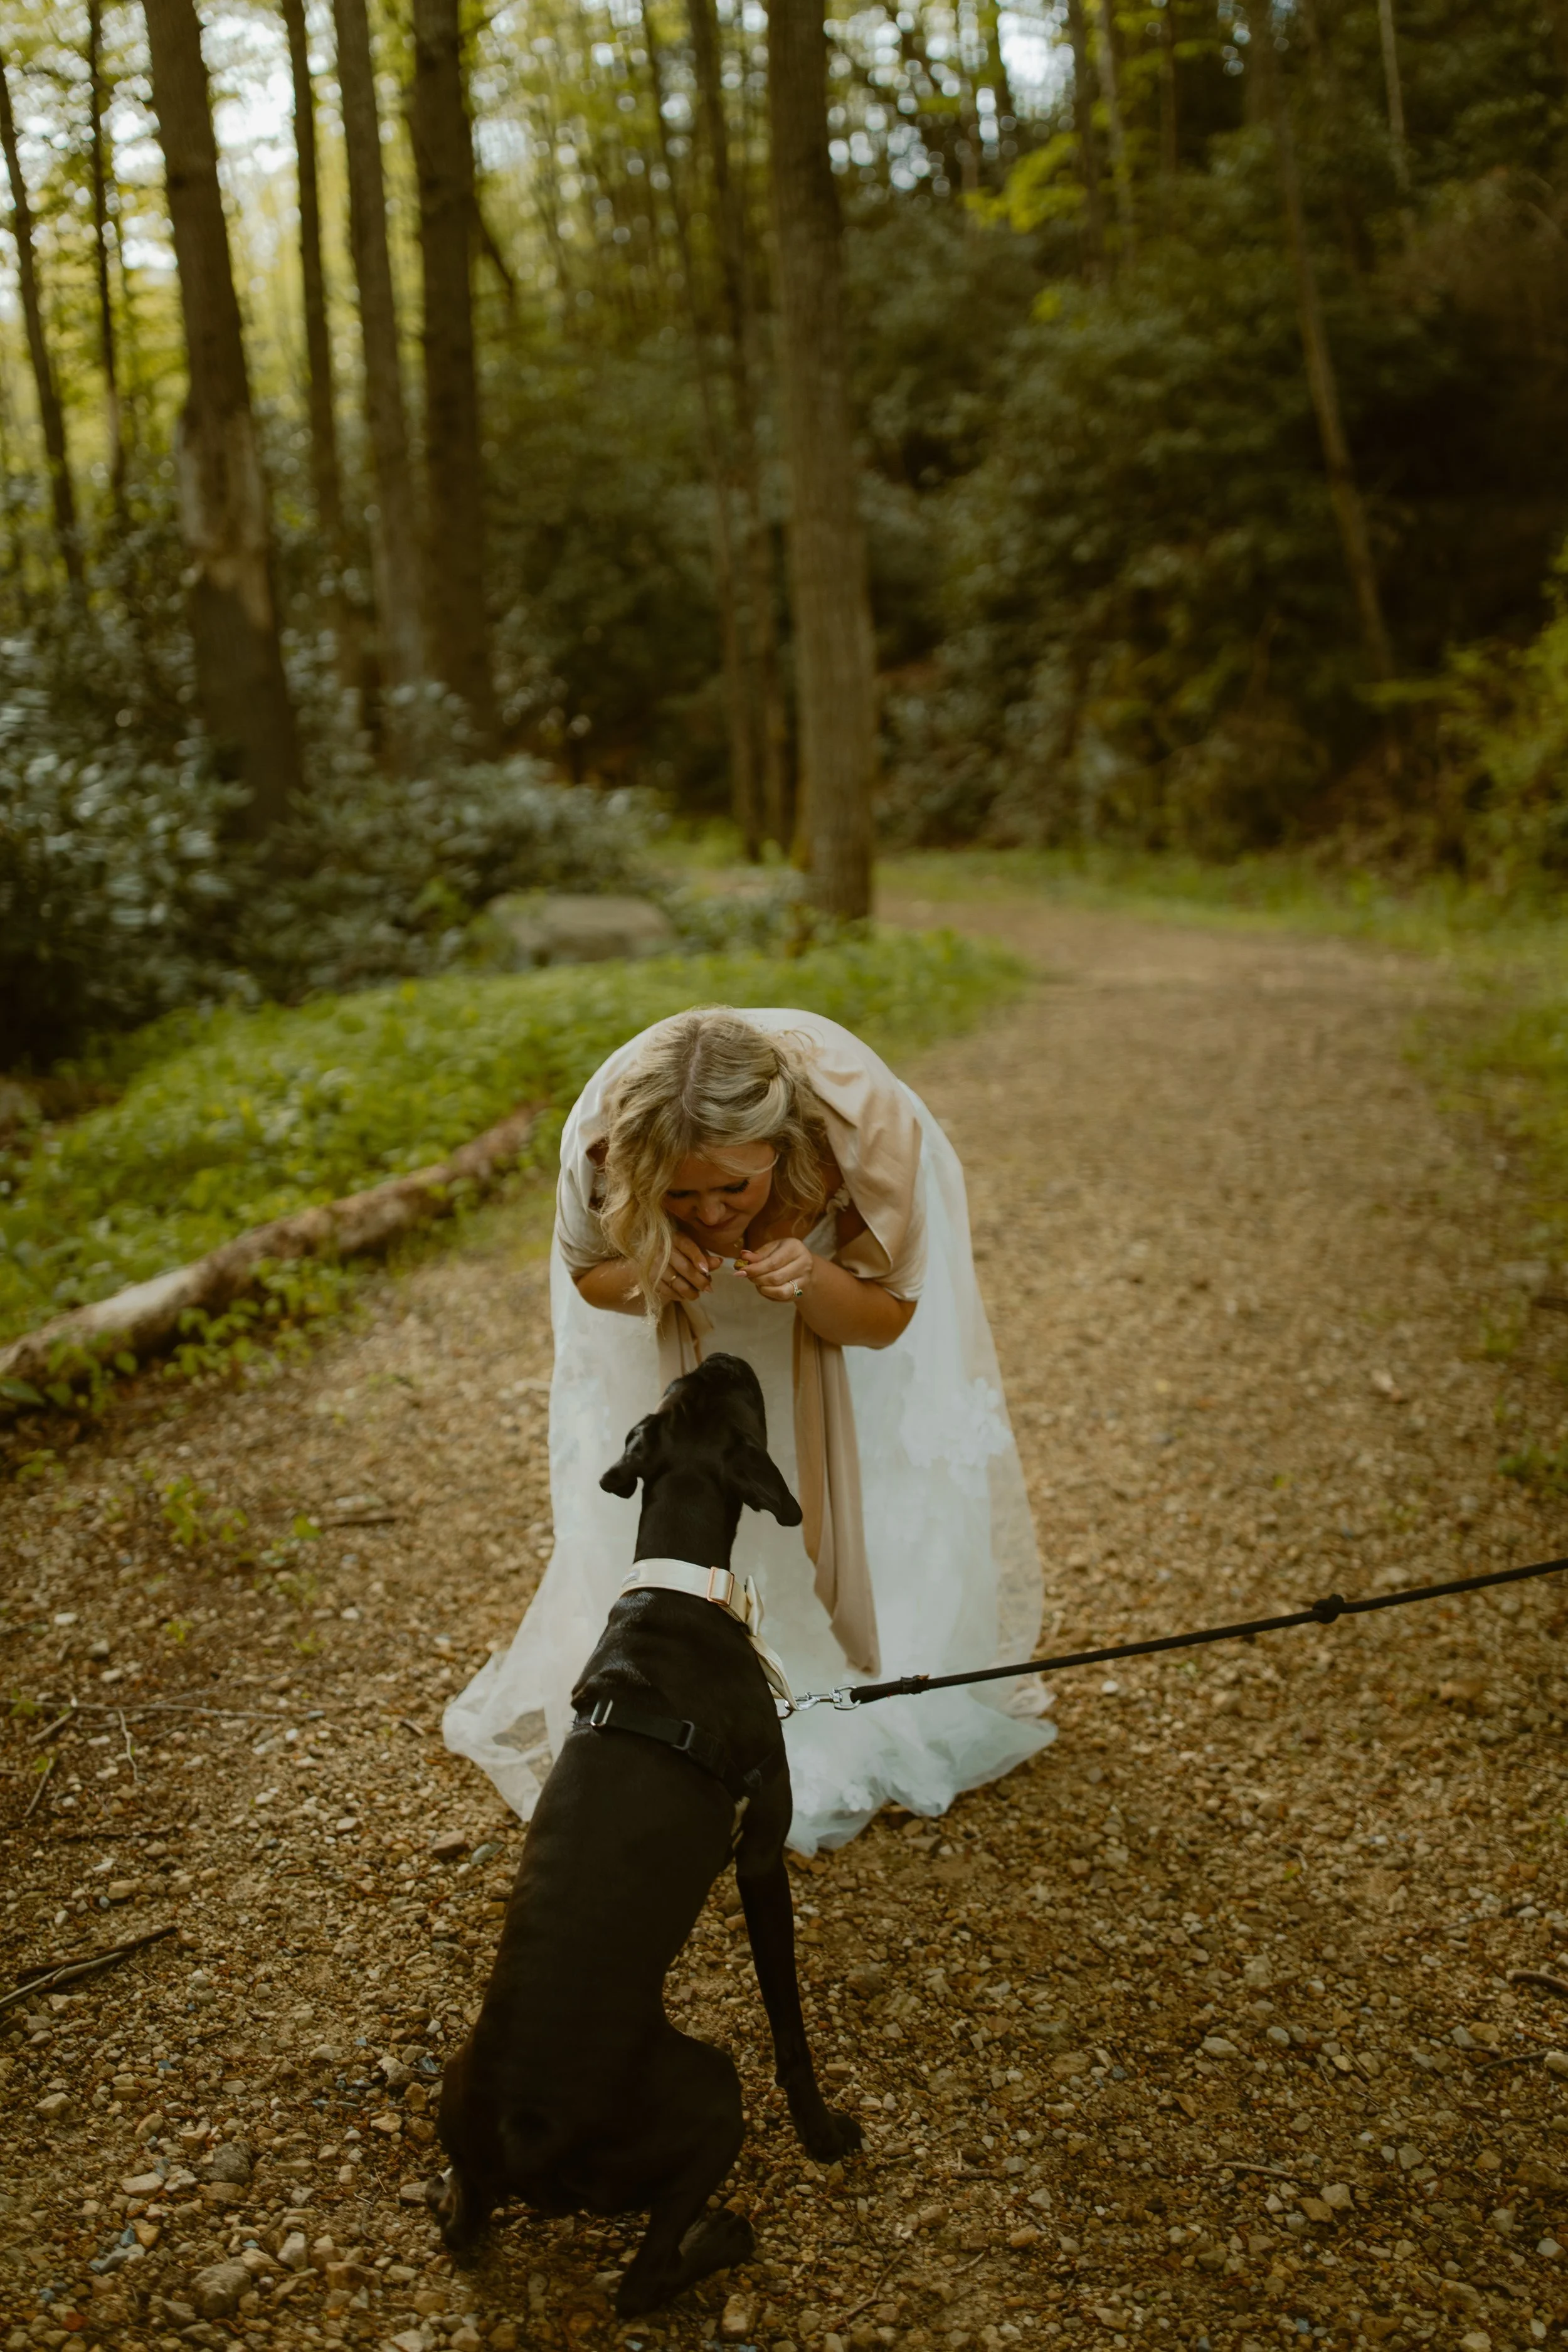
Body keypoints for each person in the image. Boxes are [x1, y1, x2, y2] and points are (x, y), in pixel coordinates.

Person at [443, 1005, 1052, 1853]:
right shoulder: (599, 1143)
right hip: (677, 1327)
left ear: (782, 1149)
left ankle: (836, 1687)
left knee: (839, 1478)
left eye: (737, 1186)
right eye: (680, 1196)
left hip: (834, 1304)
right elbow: (591, 1276)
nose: (715, 1213)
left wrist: (813, 1276)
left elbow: (883, 1319)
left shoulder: (865, 1138)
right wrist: (652, 1272)